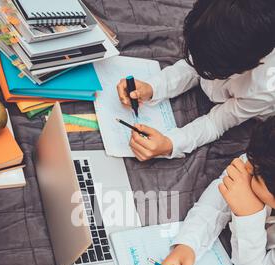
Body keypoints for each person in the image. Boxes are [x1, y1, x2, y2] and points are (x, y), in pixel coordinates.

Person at [117, 0, 275, 162]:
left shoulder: (264, 89)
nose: (203, 72)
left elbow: (217, 123)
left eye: (213, 73)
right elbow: (193, 67)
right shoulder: (214, 24)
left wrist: (170, 144)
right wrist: (152, 87)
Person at [158, 117, 275, 265]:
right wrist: (188, 244)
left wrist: (249, 216)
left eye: (256, 175)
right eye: (249, 159)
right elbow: (222, 192)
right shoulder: (264, 157)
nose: (246, 168)